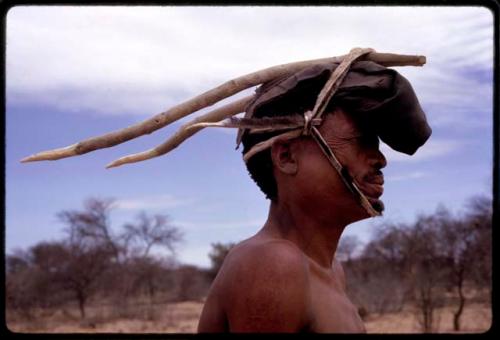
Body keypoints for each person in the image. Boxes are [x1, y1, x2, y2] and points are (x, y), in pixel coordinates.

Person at [197, 60, 431, 333]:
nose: (380, 159)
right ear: (286, 157)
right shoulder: (274, 265)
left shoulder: (332, 269)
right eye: (359, 140)